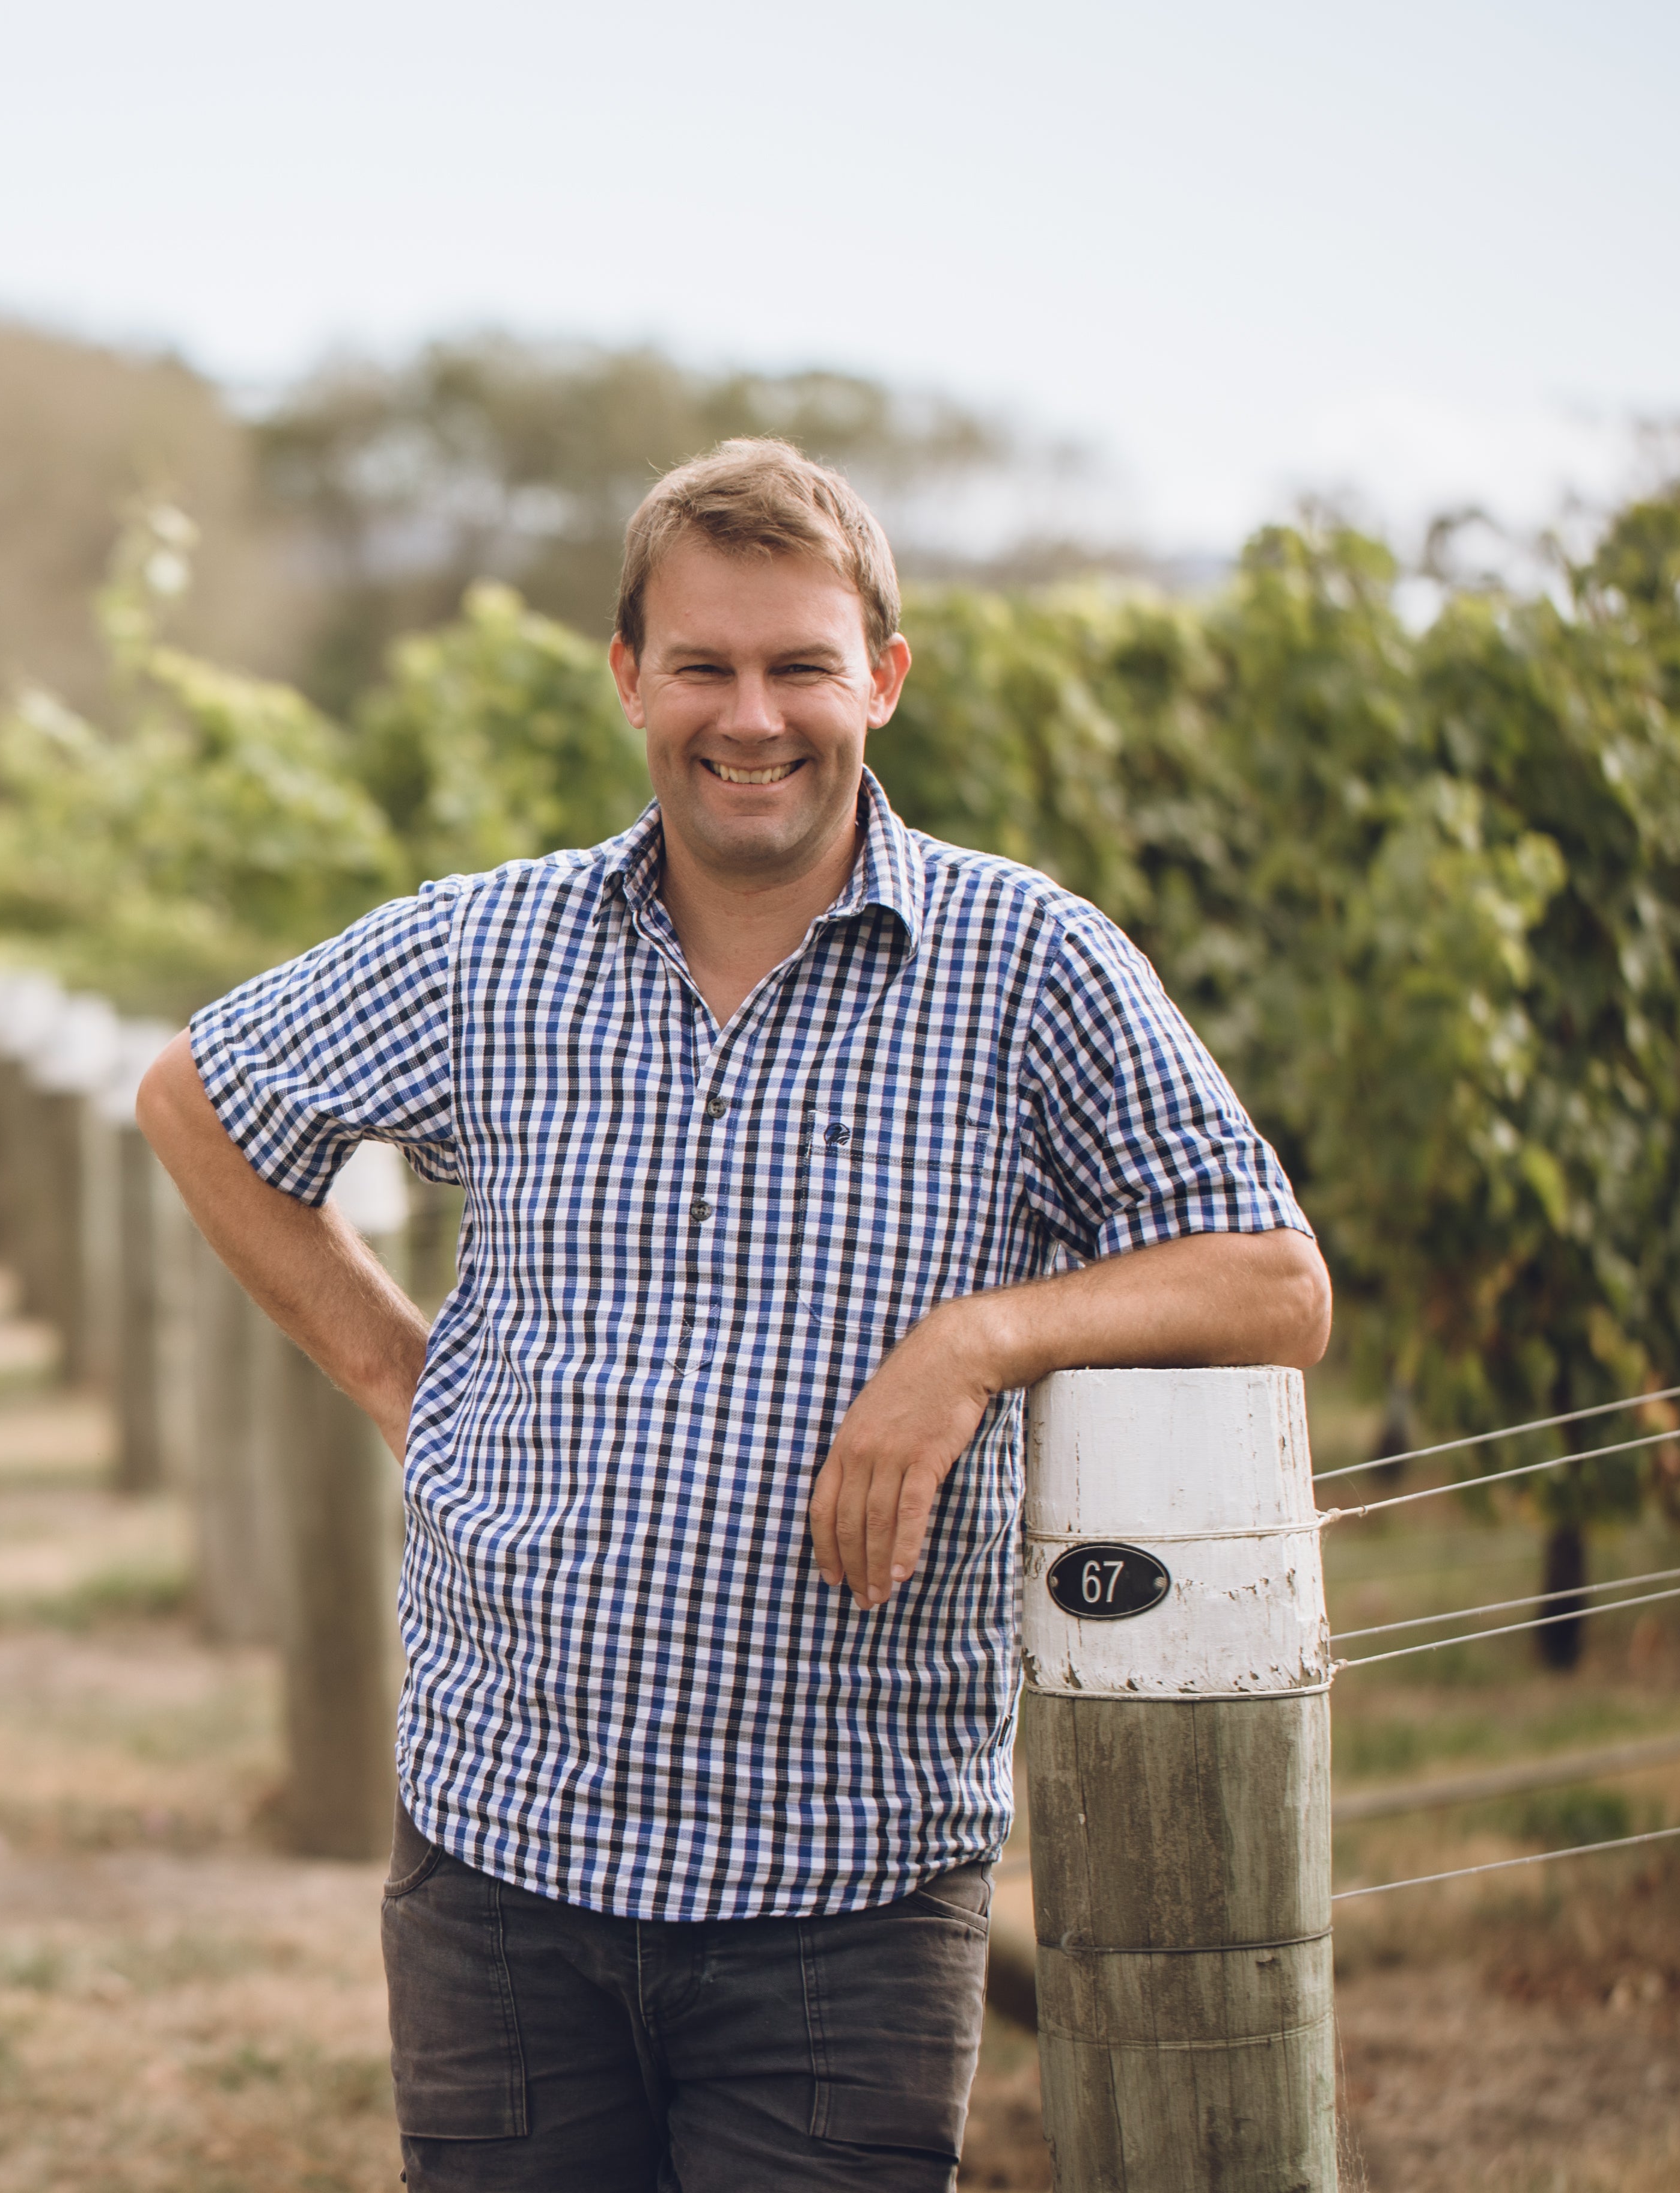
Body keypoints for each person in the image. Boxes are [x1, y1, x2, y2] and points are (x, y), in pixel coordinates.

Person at [135, 438, 1331, 2191]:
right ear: (631, 678)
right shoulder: (491, 952)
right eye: (702, 665)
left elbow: (1273, 1282)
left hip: (844, 1900)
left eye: (800, 667)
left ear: (883, 680)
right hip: (502, 1865)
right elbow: (197, 1099)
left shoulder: (1028, 967)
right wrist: (400, 1377)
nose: (751, 717)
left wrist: (974, 1344)